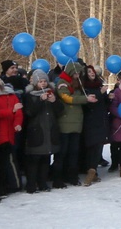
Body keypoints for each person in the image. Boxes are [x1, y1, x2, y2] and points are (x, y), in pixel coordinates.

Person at [53, 60, 94, 188]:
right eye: (76, 74)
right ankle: (58, 178)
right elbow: (67, 98)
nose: (78, 76)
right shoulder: (62, 83)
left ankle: (72, 176)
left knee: (74, 152)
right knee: (62, 152)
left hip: (76, 123)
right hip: (65, 123)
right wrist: (85, 99)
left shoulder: (77, 84)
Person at [22, 69, 62, 194]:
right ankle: (31, 184)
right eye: (40, 81)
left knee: (46, 158)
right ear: (35, 83)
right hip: (36, 131)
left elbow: (60, 111)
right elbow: (29, 112)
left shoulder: (52, 93)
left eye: (45, 81)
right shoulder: (30, 95)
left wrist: (54, 102)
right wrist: (40, 101)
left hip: (50, 130)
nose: (43, 84)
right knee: (34, 160)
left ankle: (43, 183)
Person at [81, 65, 109, 184]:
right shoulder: (84, 88)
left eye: (93, 72)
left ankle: (94, 171)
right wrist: (100, 93)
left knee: (98, 146)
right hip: (90, 121)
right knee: (91, 146)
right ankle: (90, 171)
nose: (92, 73)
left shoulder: (99, 85)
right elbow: (90, 104)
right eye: (89, 72)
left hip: (101, 120)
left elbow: (105, 103)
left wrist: (109, 97)